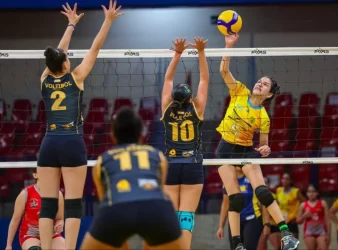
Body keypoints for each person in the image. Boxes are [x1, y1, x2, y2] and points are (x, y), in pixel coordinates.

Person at [37, 1, 123, 249]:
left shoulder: (44, 80)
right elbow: (95, 47)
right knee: (73, 202)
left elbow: (58, 53)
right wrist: (107, 21)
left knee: (48, 203)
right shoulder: (76, 77)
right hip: (72, 141)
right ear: (65, 65)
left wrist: (71, 25)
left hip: (49, 142)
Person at [216, 33, 298, 250]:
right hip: (224, 149)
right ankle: (237, 244)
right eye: (260, 81)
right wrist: (228, 45)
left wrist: (265, 149)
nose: (260, 84)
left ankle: (286, 234)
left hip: (244, 150)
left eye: (265, 85)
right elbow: (223, 71)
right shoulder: (239, 91)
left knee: (261, 192)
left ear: (269, 95)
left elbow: (263, 145)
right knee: (235, 199)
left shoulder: (264, 117)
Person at [80, 107, 185, 250]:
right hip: (156, 208)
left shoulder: (101, 161)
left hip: (116, 209)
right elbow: (159, 190)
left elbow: (105, 199)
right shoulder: (158, 156)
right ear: (141, 134)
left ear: (113, 135)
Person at [160, 37, 209, 248]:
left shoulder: (166, 108)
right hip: (192, 165)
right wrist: (200, 52)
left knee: (170, 219)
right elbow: (204, 81)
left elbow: (167, 80)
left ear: (172, 98)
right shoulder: (197, 108)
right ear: (190, 100)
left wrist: (177, 53)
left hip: (170, 164)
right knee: (186, 217)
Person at [6, 168, 65, 250]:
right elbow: (15, 220)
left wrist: (60, 224)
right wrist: (9, 245)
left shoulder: (58, 194)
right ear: (35, 175)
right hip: (30, 234)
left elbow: (60, 219)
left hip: (51, 234)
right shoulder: (25, 194)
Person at [216, 167, 266, 250]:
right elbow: (225, 204)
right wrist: (221, 226)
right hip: (235, 220)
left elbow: (264, 201)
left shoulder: (252, 177)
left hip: (252, 218)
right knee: (235, 248)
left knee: (249, 247)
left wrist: (267, 223)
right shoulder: (228, 179)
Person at [272, 173, 305, 245]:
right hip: (281, 222)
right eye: (283, 178)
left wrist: (299, 215)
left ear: (291, 181)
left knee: (292, 246)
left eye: (287, 179)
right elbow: (276, 205)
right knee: (281, 246)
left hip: (291, 221)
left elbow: (305, 204)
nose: (285, 180)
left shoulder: (296, 191)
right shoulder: (279, 190)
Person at [297, 184, 330, 250]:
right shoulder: (303, 205)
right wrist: (304, 216)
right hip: (309, 232)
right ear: (306, 193)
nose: (311, 194)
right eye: (309, 192)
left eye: (313, 192)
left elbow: (328, 220)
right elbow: (298, 221)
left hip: (321, 232)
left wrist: (328, 235)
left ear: (317, 193)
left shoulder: (323, 203)